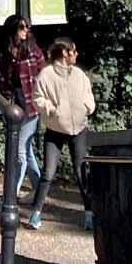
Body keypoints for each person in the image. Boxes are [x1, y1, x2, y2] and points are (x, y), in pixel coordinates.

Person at [28, 34, 97, 233]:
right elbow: (37, 97)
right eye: (74, 51)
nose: (76, 54)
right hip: (55, 129)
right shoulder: (47, 74)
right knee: (48, 172)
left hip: (79, 128)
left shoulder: (79, 74)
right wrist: (51, 110)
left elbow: (88, 94)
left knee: (82, 171)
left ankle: (89, 214)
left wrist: (88, 107)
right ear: (65, 53)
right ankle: (36, 213)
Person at [0, 14, 45, 199]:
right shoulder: (1, 53)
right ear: (12, 30)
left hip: (31, 107)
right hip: (11, 106)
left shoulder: (33, 50)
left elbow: (45, 75)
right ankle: (39, 190)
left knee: (19, 151)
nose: (26, 30)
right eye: (22, 27)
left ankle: (11, 194)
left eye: (27, 27)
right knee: (27, 150)